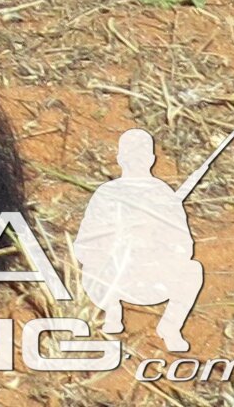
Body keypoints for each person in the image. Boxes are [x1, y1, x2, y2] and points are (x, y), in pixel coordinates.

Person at [72, 128, 208, 353]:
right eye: (131, 155)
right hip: (112, 277)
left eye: (140, 155)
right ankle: (112, 311)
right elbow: (84, 244)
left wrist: (154, 242)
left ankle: (170, 327)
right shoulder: (107, 193)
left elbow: (184, 246)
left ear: (151, 159)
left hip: (153, 277)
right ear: (120, 158)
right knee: (89, 268)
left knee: (193, 270)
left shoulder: (163, 194)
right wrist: (116, 243)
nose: (136, 160)